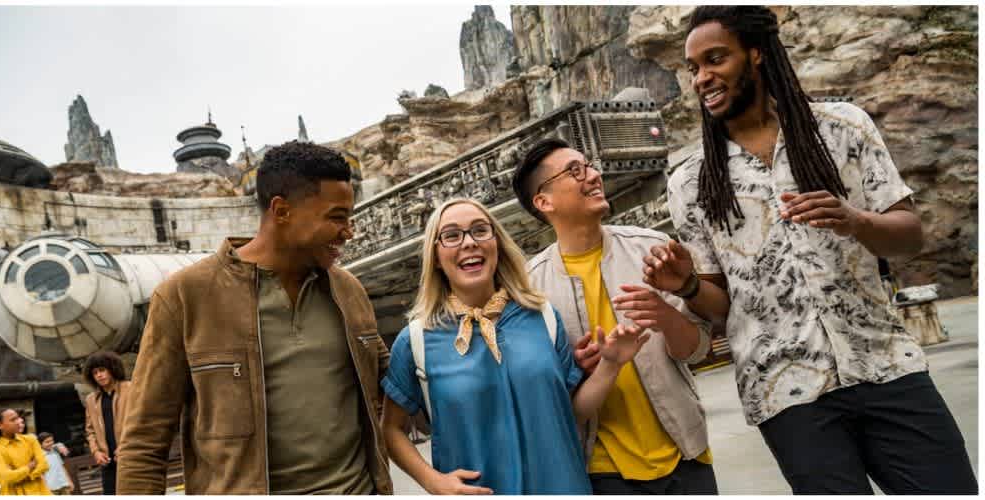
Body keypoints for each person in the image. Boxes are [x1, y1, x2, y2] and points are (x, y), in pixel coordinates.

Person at [650, 5, 978, 494]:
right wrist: (689, 285)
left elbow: (910, 235)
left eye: (715, 59)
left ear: (756, 54)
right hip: (787, 396)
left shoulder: (843, 128)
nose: (701, 78)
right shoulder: (691, 182)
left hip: (887, 365)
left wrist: (856, 221)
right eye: (693, 68)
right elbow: (720, 309)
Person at [118, 141, 392, 495]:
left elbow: (394, 382)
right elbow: (143, 444)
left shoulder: (348, 290)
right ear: (282, 211)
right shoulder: (184, 297)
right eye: (337, 217)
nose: (349, 231)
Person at [381, 198, 650, 495]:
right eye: (452, 235)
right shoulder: (415, 340)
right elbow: (391, 429)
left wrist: (611, 365)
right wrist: (433, 482)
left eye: (480, 230)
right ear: (435, 256)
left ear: (496, 243)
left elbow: (569, 413)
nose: (469, 242)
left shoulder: (544, 317)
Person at [512, 139, 718, 495]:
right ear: (544, 202)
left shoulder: (651, 249)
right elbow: (545, 402)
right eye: (575, 171)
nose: (594, 175)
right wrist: (575, 368)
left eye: (589, 166)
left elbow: (697, 351)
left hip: (685, 454)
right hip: (602, 471)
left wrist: (665, 316)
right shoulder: (530, 290)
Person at [82, 350, 131, 495]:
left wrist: (125, 447)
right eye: (95, 373)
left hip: (132, 457)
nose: (99, 375)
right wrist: (96, 452)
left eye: (102, 370)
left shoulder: (131, 388)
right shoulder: (91, 400)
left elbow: (140, 422)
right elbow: (90, 431)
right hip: (107, 462)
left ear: (112, 369)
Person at [0, 408, 51, 495]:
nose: (19, 421)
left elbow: (44, 465)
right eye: (13, 420)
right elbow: (9, 477)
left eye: (18, 418)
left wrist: (25, 476)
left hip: (40, 491)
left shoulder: (31, 439)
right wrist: (30, 466)